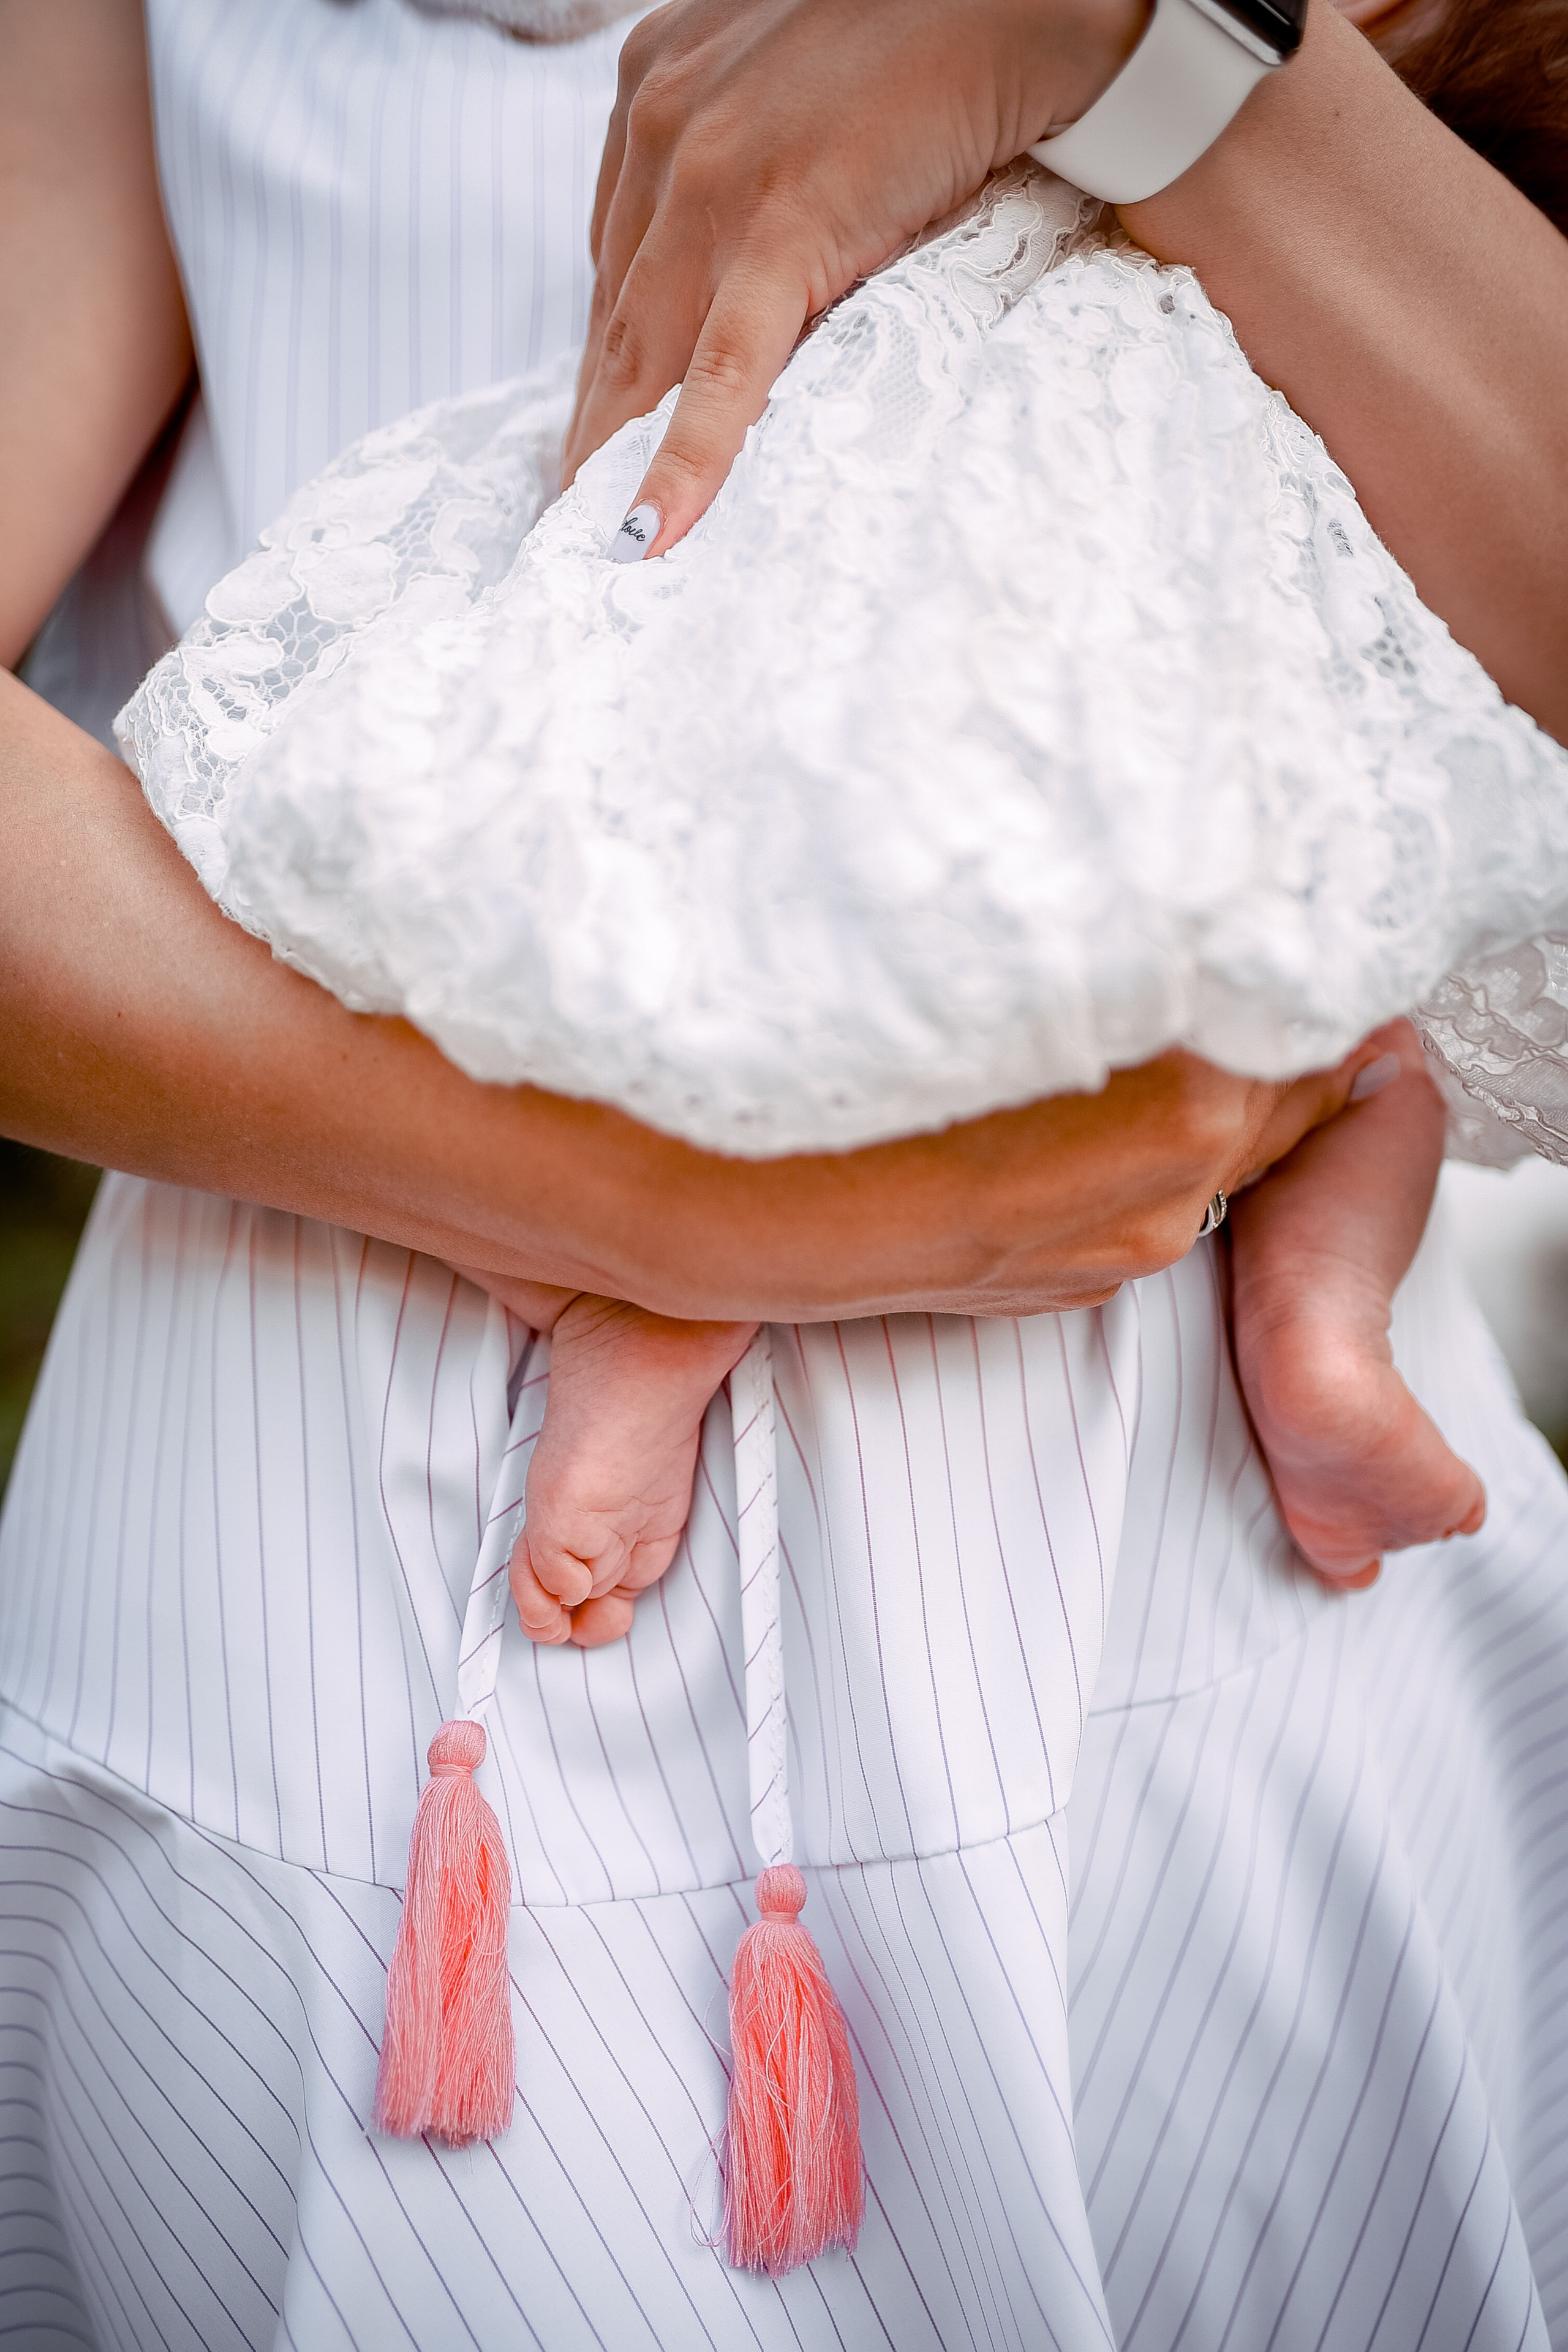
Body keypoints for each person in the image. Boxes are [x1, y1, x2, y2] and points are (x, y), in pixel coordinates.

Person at [2, 1, 1567, 2346]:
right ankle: (726, 1331)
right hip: (376, 1647)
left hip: (1246, 1668)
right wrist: (661, 1211)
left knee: (1347, 1025)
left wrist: (1139, 42)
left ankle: (1312, 1320)